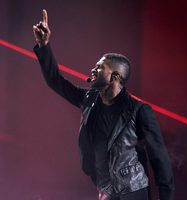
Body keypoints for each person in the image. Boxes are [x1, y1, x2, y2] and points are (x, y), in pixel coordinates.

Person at [33, 9, 174, 200]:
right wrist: (44, 45)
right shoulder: (89, 100)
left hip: (133, 193)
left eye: (99, 67)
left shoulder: (139, 111)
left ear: (115, 77)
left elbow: (160, 161)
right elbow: (55, 81)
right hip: (106, 191)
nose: (93, 69)